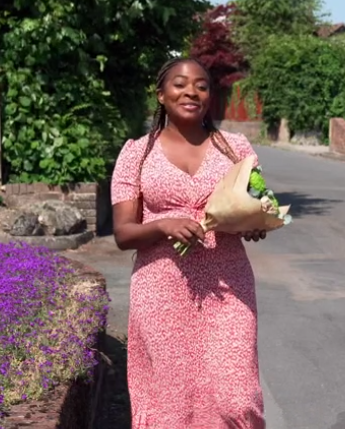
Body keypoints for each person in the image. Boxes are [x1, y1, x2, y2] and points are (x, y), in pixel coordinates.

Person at [110, 57, 266, 428]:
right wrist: (164, 225)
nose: (191, 91)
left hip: (228, 285)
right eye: (180, 84)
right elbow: (123, 233)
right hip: (161, 290)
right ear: (161, 95)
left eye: (201, 85)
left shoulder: (237, 148)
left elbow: (263, 202)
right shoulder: (137, 153)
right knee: (172, 401)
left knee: (236, 397)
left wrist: (256, 222)